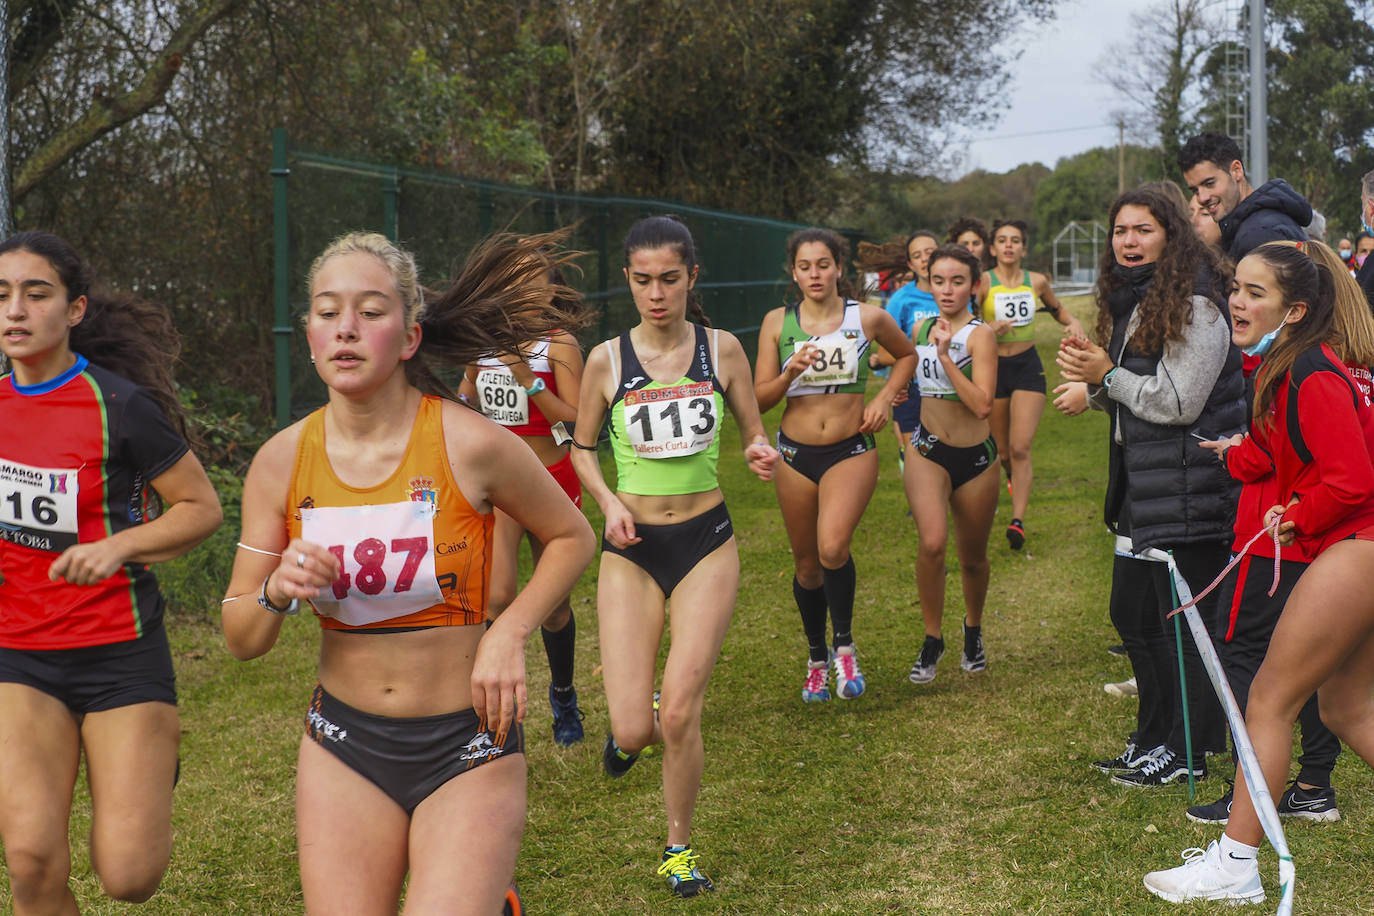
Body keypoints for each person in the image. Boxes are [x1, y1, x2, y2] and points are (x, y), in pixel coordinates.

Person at [221, 231, 596, 915]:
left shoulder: (473, 442)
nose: (346, 329)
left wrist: (510, 632)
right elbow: (242, 636)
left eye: (370, 311)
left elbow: (572, 536)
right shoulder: (279, 463)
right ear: (307, 333)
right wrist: (276, 590)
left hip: (469, 740)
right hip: (344, 744)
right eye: (327, 311)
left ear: (411, 335)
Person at [1143, 242, 1374, 904]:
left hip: (1357, 543)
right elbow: (1290, 452)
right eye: (1235, 288)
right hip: (1359, 545)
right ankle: (1235, 862)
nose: (1236, 301)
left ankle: (1235, 866)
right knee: (1348, 708)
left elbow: (1352, 480)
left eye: (1254, 292)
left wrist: (1297, 515)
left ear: (1296, 309)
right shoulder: (1308, 363)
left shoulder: (1310, 369)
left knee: (1268, 701)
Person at [0, 231, 222, 913]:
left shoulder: (121, 406)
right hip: (20, 657)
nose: (15, 310)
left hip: (120, 655)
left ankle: (148, 758)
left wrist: (119, 548)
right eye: (2, 295)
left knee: (128, 877)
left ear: (74, 310)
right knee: (32, 859)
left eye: (36, 294)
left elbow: (200, 508)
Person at [569, 215, 777, 898]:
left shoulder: (723, 351)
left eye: (669, 278)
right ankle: (631, 733)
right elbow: (580, 447)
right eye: (642, 280)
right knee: (635, 724)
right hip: (631, 549)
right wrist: (607, 501)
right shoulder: (606, 360)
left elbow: (754, 430)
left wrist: (756, 450)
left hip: (705, 542)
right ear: (627, 280)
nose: (656, 293)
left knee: (680, 712)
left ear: (692, 276)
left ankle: (678, 849)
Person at [1058, 186, 1244, 789]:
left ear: (1171, 236)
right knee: (1133, 616)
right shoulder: (1134, 299)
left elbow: (1179, 402)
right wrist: (1092, 383)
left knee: (1180, 629)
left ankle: (1186, 748)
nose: (1129, 242)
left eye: (1143, 230)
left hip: (1192, 491)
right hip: (1145, 488)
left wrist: (1105, 375)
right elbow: (1134, 395)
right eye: (1120, 231)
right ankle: (1153, 736)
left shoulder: (1199, 303)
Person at [754, 228, 914, 702]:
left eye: (823, 264)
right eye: (805, 267)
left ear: (839, 268)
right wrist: (789, 372)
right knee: (806, 568)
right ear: (794, 272)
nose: (815, 274)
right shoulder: (775, 324)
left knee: (832, 547)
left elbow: (906, 356)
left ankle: (844, 645)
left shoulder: (867, 317)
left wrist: (884, 397)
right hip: (795, 455)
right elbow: (759, 398)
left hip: (851, 448)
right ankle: (816, 657)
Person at [460, 250, 589, 747]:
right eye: (515, 283)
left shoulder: (559, 345)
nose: (526, 293)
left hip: (551, 475)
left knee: (553, 607)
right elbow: (464, 397)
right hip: (501, 483)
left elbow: (576, 417)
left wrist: (525, 377)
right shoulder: (483, 345)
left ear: (550, 290)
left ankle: (564, 697)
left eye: (535, 284)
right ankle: (493, 706)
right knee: (497, 595)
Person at [904, 244, 999, 684]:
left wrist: (944, 356)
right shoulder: (921, 325)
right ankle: (931, 637)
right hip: (927, 451)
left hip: (976, 459)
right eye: (938, 280)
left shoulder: (980, 335)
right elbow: (903, 365)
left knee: (973, 558)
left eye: (957, 281)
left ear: (974, 285)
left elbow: (982, 404)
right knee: (932, 543)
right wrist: (899, 388)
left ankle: (973, 629)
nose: (947, 289)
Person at [981, 219, 1084, 550]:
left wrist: (1074, 322)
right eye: (1002, 240)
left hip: (1027, 367)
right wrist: (987, 328)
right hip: (992, 367)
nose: (1009, 245)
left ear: (1024, 249)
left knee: (1021, 447)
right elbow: (966, 322)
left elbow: (1057, 310)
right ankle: (1012, 478)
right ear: (992, 248)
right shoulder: (982, 282)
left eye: (1015, 241)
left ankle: (1018, 521)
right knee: (1000, 451)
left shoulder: (1037, 282)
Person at [1179, 131, 1312, 261]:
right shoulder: (1251, 229)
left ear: (1237, 171)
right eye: (1195, 190)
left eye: (1209, 183)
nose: (1202, 198)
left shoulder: (1259, 235)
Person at [868, 231, 939, 461]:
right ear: (910, 263)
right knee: (918, 459)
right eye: (917, 255)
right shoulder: (901, 299)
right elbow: (885, 354)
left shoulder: (957, 293)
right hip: (913, 388)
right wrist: (920, 353)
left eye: (929, 252)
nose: (924, 259)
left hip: (952, 387)